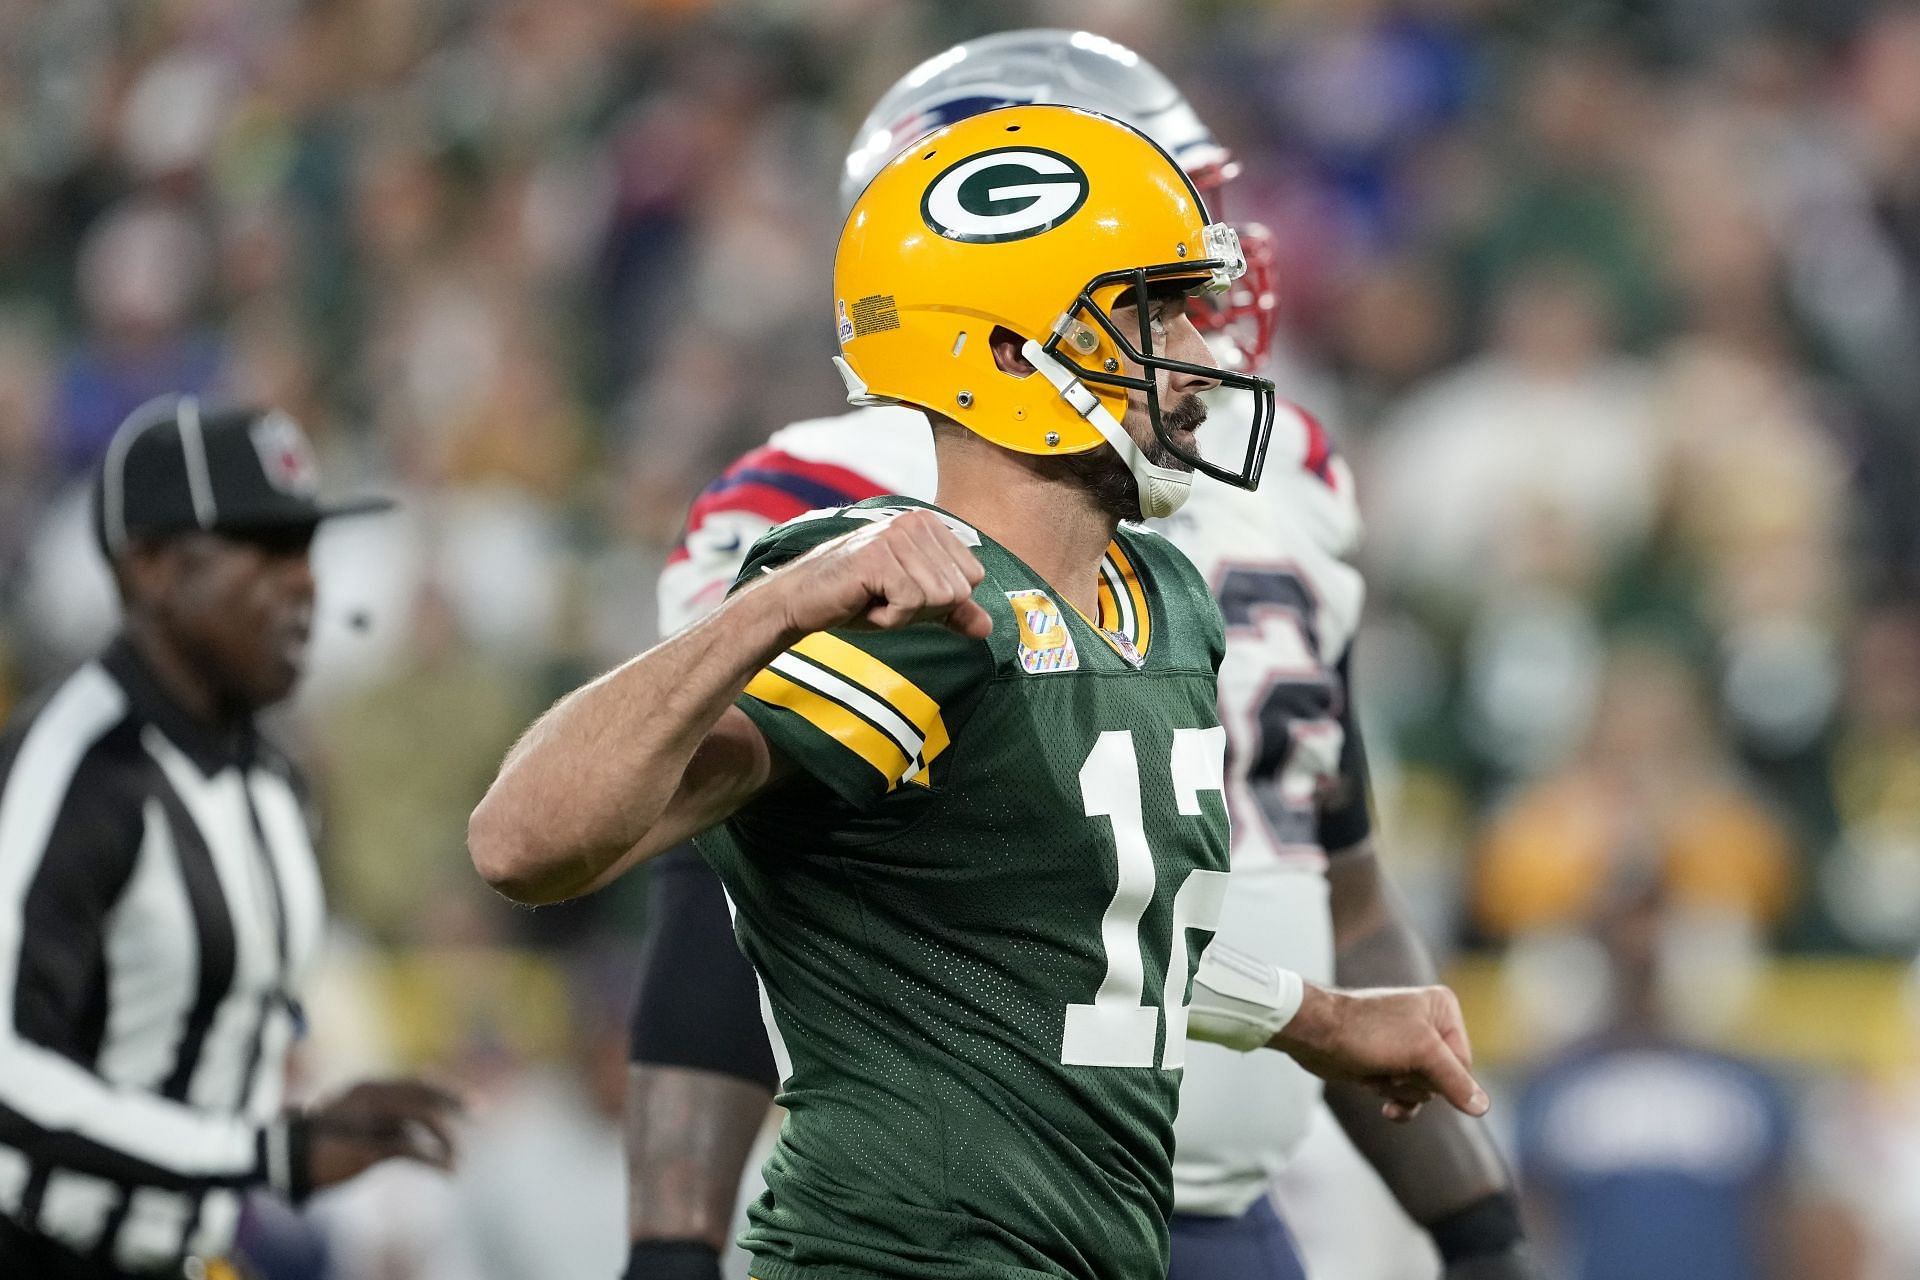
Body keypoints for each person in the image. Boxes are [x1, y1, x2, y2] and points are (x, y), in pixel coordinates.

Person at [471, 104, 1487, 1280]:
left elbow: (1090, 925)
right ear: (1010, 352)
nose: (1203, 359)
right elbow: (521, 841)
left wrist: (1324, 1020)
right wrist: (768, 609)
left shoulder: (1161, 593)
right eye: (1151, 313)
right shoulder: (915, 614)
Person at [0, 396, 461, 1279]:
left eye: (309, 547)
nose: (307, 583)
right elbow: (8, 1067)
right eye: (264, 547)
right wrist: (266, 1154)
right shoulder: (73, 764)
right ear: (150, 568)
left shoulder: (276, 780)